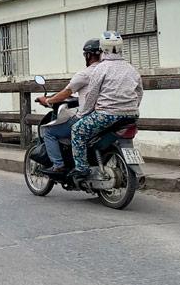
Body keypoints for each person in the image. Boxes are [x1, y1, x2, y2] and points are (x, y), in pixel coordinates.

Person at [69, 31, 143, 179]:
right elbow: (139, 92)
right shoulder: (131, 69)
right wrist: (132, 107)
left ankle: (82, 168)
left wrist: (82, 114)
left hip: (106, 115)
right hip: (131, 115)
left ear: (103, 48)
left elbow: (92, 95)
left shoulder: (101, 69)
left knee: (77, 130)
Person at [34, 39, 103, 175]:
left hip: (90, 117)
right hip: (108, 115)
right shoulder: (108, 72)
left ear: (88, 55)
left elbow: (66, 92)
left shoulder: (85, 74)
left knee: (49, 131)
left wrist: (48, 101)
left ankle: (58, 165)